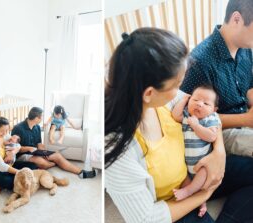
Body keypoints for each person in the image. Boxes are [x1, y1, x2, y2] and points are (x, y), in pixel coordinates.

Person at [105, 27, 253, 223]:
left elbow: (210, 115)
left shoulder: (169, 100)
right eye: (177, 85)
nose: (182, 92)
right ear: (149, 93)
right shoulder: (117, 147)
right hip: (172, 201)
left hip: (195, 173)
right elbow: (146, 218)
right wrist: (201, 195)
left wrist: (219, 152)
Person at [180, 0, 253, 157]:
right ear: (236, 19)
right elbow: (191, 116)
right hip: (218, 132)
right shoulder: (200, 62)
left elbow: (249, 86)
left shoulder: (245, 47)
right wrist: (246, 119)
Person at [172, 85, 221, 217]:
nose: (199, 104)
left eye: (206, 103)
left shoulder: (210, 119)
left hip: (202, 163)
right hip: (187, 166)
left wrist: (196, 125)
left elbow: (211, 136)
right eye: (195, 100)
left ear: (214, 109)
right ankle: (201, 203)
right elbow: (175, 116)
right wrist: (183, 100)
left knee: (201, 175)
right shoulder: (187, 116)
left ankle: (189, 192)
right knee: (185, 179)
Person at [11, 107, 96, 179]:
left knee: (57, 155)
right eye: (41, 117)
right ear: (37, 118)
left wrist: (44, 152)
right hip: (22, 155)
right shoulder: (18, 128)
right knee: (42, 162)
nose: (42, 118)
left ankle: (81, 172)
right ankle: (55, 163)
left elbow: (39, 144)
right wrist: (29, 148)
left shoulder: (37, 127)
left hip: (35, 152)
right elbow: (14, 148)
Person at [0, 117, 38, 191]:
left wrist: (12, 152)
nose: (5, 133)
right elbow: (1, 166)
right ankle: (12, 180)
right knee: (10, 182)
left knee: (33, 165)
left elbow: (18, 145)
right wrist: (19, 172)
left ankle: (12, 180)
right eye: (2, 131)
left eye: (7, 130)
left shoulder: (5, 135)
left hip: (9, 164)